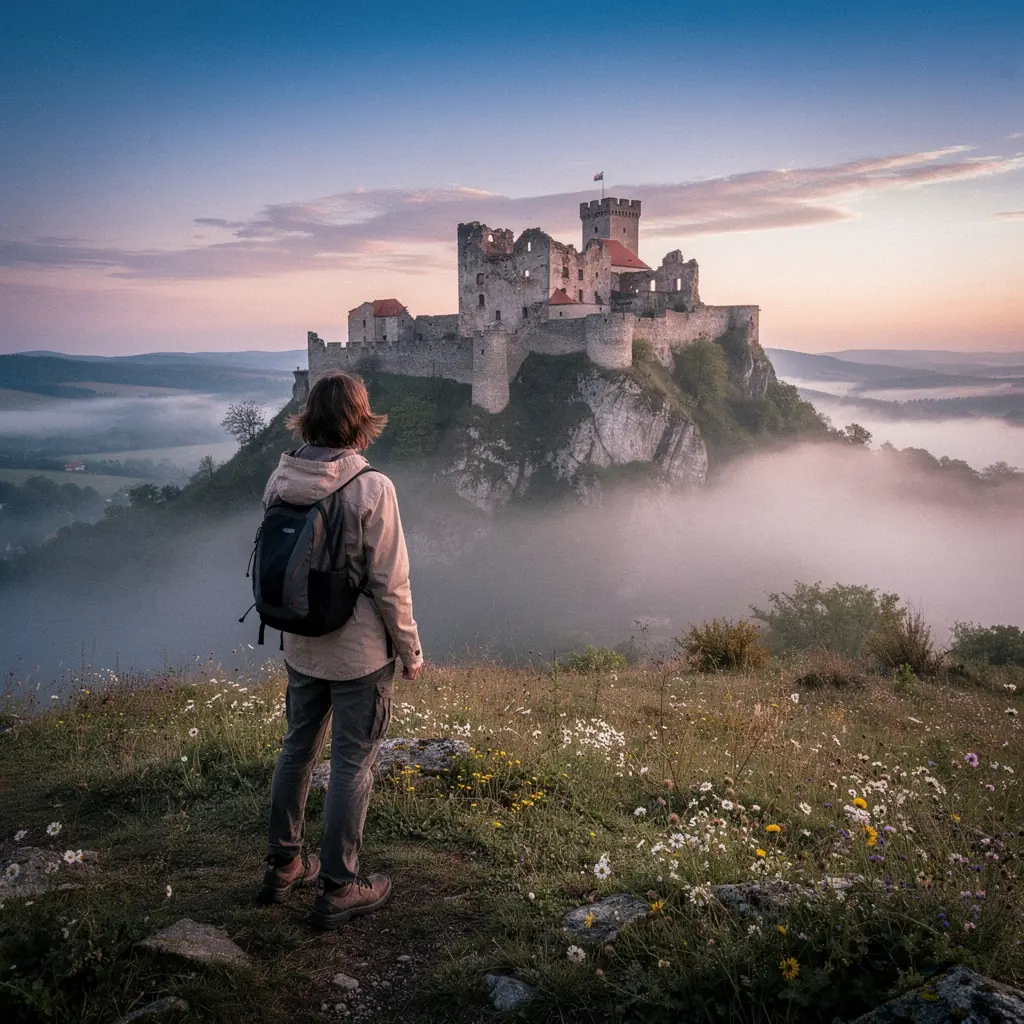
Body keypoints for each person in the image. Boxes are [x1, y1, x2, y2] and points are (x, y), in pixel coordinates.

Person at [257, 371, 423, 929]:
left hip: (301, 644)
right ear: (360, 419)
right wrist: (411, 649)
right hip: (358, 655)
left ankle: (283, 864)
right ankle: (338, 886)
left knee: (296, 749)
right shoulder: (372, 487)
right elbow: (390, 582)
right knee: (353, 763)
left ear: (308, 416)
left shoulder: (282, 476)